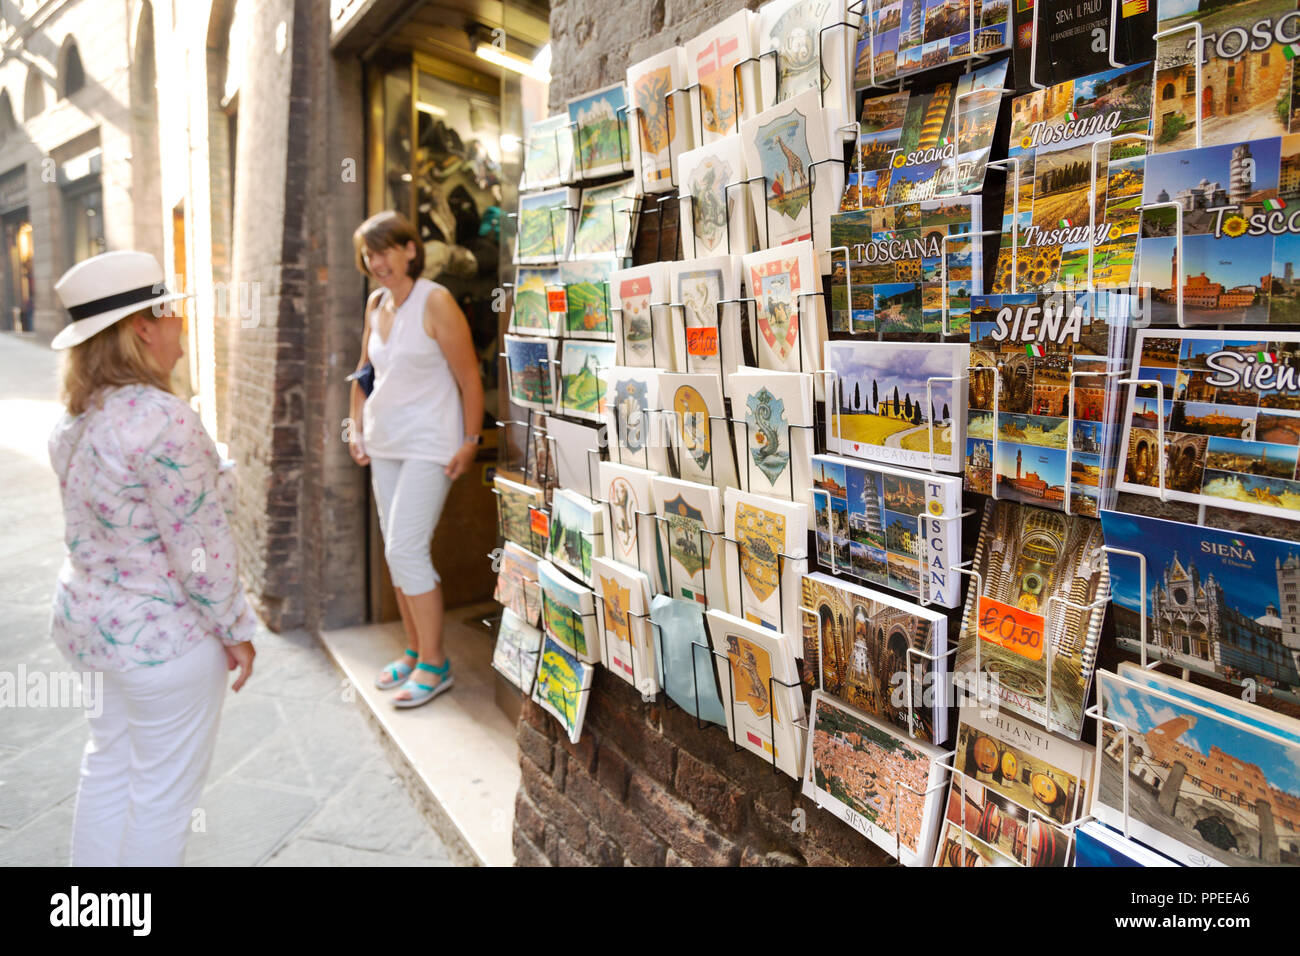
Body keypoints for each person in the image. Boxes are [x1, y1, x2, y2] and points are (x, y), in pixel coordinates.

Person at [47, 250, 257, 866]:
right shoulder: (163, 420)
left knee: (108, 767)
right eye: (172, 316)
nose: (182, 330)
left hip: (91, 630)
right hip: (163, 642)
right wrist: (236, 629)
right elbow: (200, 553)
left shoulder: (76, 420)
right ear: (144, 326)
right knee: (162, 798)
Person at [349, 210, 484, 708]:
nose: (376, 261)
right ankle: (413, 649)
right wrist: (355, 426)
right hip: (384, 441)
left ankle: (436, 663)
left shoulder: (436, 300)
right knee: (395, 550)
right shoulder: (376, 302)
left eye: (384, 249)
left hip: (432, 442)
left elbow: (469, 376)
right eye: (368, 253)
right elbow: (364, 372)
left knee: (406, 548)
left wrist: (471, 439)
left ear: (410, 249)